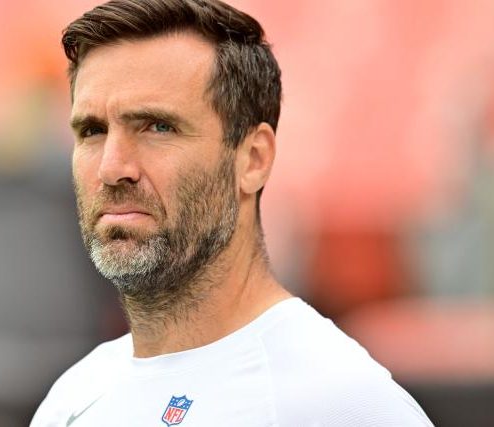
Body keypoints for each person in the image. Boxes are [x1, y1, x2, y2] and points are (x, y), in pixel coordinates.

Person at [31, 0, 433, 425]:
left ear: (253, 159)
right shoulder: (75, 396)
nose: (112, 168)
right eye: (92, 131)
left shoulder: (343, 404)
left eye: (158, 127)